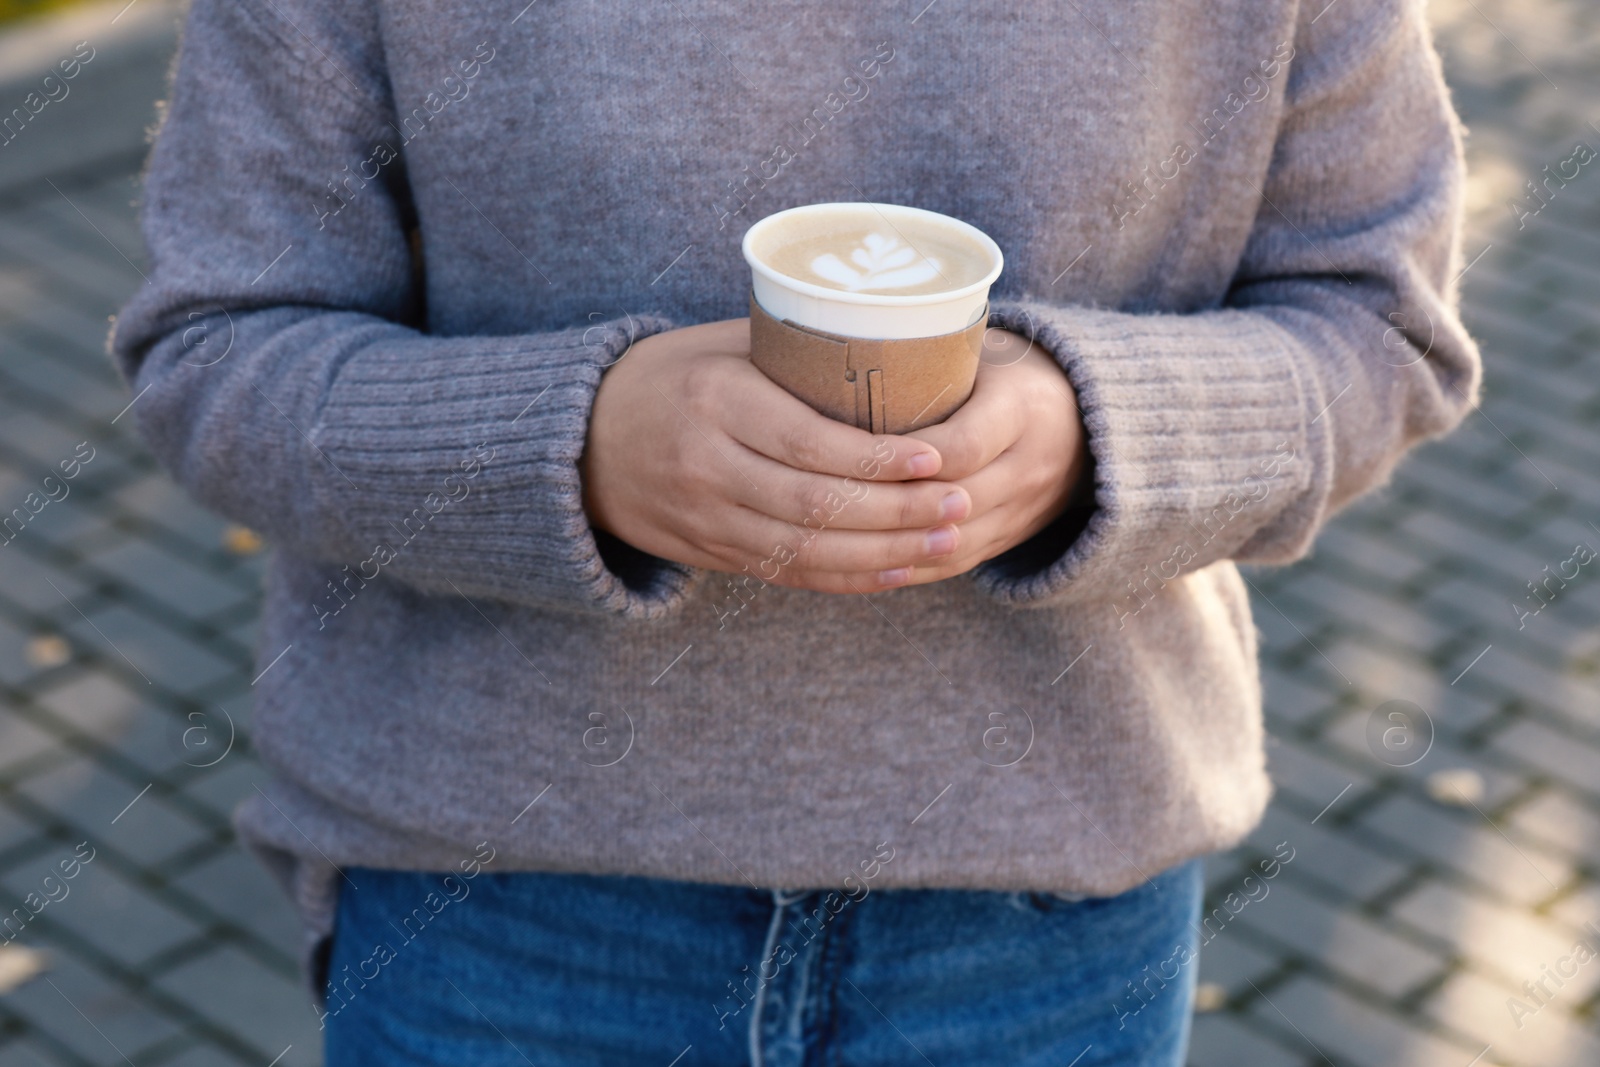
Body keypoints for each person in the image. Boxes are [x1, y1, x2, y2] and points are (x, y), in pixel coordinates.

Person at [111, 0, 1479, 1063]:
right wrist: (569, 445)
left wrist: (1102, 430)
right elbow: (218, 350)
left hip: (1050, 930)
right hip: (495, 912)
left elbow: (1380, 333)